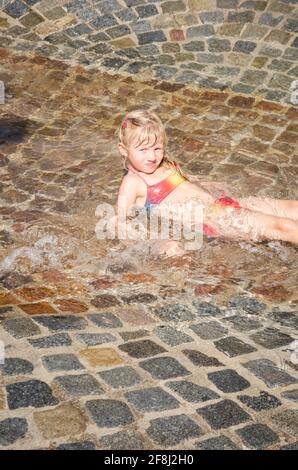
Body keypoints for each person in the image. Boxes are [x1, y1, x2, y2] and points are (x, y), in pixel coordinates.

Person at [112, 109, 298, 256]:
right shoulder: (133, 183)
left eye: (157, 148)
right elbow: (121, 222)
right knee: (283, 227)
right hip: (215, 220)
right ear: (124, 150)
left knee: (292, 208)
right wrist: (157, 242)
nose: (152, 156)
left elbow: (184, 183)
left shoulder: (164, 164)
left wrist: (207, 184)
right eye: (143, 150)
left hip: (223, 205)